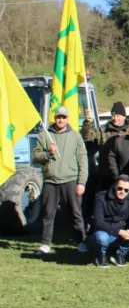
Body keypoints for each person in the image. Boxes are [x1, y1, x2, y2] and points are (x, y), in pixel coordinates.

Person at [32, 106, 88, 256]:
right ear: (55, 118)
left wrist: (81, 182)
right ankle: (45, 244)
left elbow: (83, 160)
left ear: (68, 118)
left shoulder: (75, 136)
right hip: (50, 181)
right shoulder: (44, 135)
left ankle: (81, 241)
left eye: (63, 117)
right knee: (48, 214)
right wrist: (48, 154)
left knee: (76, 213)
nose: (61, 120)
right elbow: (35, 156)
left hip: (70, 180)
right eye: (58, 117)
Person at [81, 102, 129, 232]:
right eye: (113, 115)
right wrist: (87, 122)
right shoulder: (103, 131)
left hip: (125, 176)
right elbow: (86, 136)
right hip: (106, 175)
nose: (116, 118)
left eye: (119, 115)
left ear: (124, 116)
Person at [88, 175, 129, 267]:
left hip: (123, 233)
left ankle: (120, 253)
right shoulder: (101, 197)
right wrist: (119, 231)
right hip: (105, 232)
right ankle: (102, 255)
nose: (122, 192)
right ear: (115, 186)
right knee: (102, 237)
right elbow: (98, 222)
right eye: (120, 188)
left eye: (126, 190)